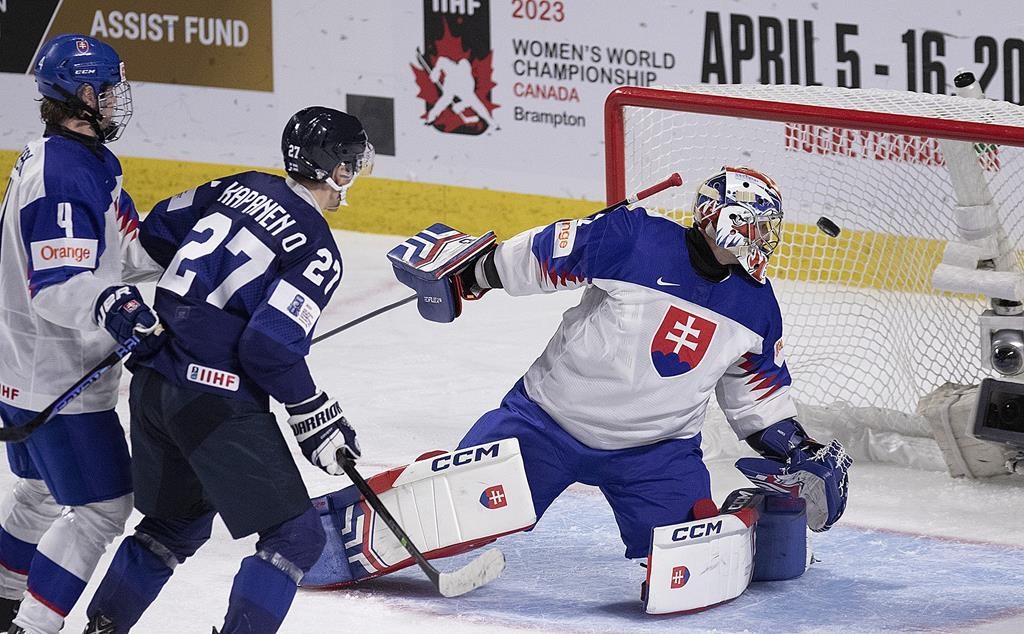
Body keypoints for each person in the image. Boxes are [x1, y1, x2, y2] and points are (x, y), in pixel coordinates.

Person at [385, 166, 851, 583]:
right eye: (760, 225)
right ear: (726, 222)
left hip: (656, 454)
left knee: (696, 556)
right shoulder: (634, 238)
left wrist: (798, 448)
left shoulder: (758, 307)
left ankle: (745, 531)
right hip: (546, 424)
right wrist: (475, 274)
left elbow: (758, 398)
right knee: (453, 510)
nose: (768, 238)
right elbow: (548, 253)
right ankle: (410, 503)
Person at [81, 106, 373, 633]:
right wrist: (313, 410)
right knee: (296, 537)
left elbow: (156, 234)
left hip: (152, 382)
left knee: (175, 523)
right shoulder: (318, 248)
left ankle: (99, 630)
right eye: (348, 165)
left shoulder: (238, 185)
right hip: (213, 403)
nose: (350, 178)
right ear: (331, 168)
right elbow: (268, 347)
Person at [0, 33, 162, 634]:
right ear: (82, 93)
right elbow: (62, 284)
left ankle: (2, 603)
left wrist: (187, 240)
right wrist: (118, 309)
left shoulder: (73, 158)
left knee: (41, 492)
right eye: (109, 89)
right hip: (57, 375)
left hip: (24, 368)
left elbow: (115, 250)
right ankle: (33, 628)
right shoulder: (65, 172)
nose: (118, 99)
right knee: (101, 508)